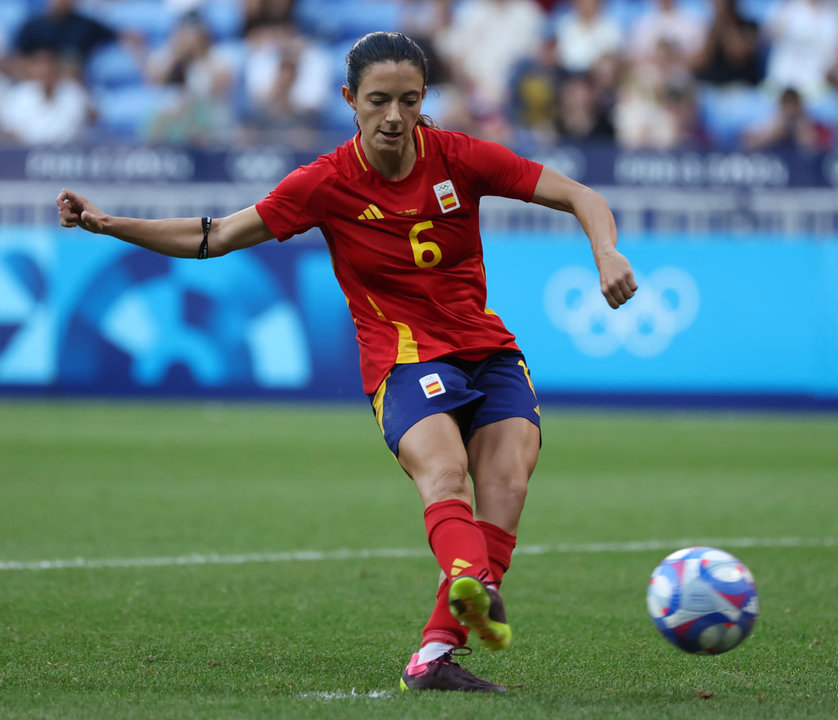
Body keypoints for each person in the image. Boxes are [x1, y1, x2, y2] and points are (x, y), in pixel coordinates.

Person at [56, 31, 636, 693]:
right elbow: (214, 236)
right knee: (446, 475)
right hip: (404, 360)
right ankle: (470, 584)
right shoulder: (325, 183)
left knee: (507, 489)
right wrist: (110, 225)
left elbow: (582, 196)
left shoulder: (461, 158)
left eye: (409, 100)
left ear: (424, 100)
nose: (395, 115)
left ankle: (433, 657)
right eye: (379, 101)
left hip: (489, 351)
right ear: (349, 101)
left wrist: (608, 253)